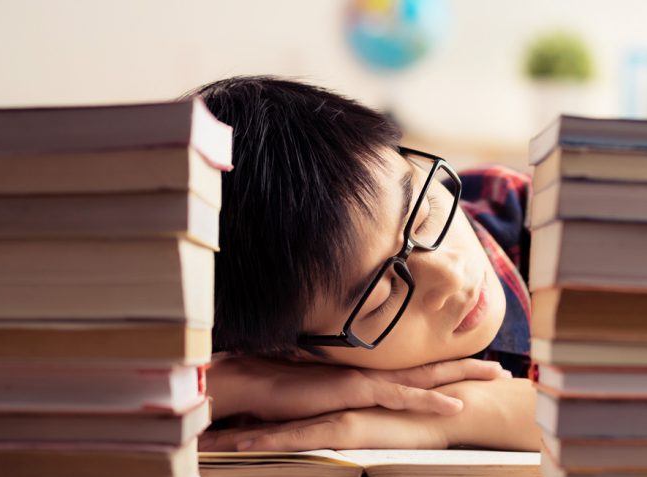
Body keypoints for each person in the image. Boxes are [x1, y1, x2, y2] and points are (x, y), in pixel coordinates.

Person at [187, 76, 540, 453]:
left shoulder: (547, 216)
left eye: (424, 217)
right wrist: (235, 386)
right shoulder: (246, 325)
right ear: (294, 354)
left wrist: (454, 417)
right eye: (382, 297)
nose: (450, 275)